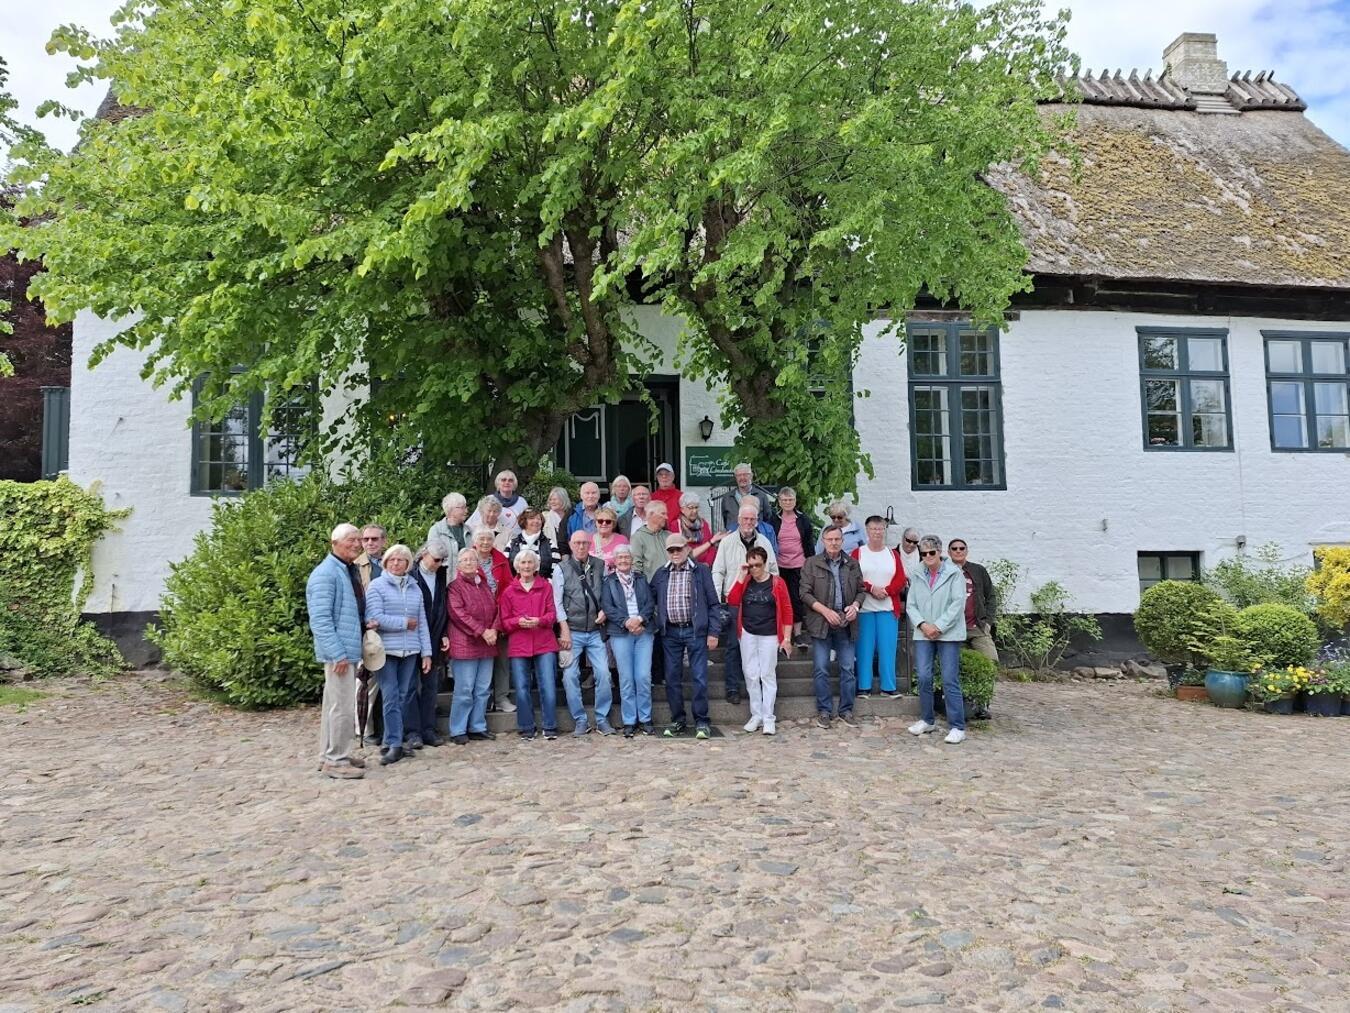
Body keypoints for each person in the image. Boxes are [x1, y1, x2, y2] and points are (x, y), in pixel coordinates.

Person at [306, 523, 366, 779]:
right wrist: (336, 653)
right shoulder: (326, 574)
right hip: (339, 653)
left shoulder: (345, 570)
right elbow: (320, 619)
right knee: (341, 707)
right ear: (335, 543)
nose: (356, 544)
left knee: (334, 705)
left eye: (358, 539)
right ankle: (336, 760)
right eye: (350, 540)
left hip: (345, 649)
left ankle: (329, 754)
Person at [365, 544, 433, 765]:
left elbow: (421, 622)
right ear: (385, 562)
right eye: (392, 559)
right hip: (387, 650)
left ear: (408, 564)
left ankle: (391, 739)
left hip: (411, 650)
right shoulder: (377, 586)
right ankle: (394, 743)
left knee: (405, 696)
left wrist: (427, 653)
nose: (396, 563)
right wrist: (404, 623)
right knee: (391, 696)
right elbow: (375, 616)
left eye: (401, 560)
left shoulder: (415, 588)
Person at [649, 533, 722, 739]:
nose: (675, 553)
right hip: (670, 632)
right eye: (671, 550)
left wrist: (714, 632)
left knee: (699, 677)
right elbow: (648, 598)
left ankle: (701, 721)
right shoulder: (661, 574)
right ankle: (678, 720)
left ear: (687, 549)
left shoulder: (701, 572)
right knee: (672, 678)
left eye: (678, 549)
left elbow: (714, 604)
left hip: (695, 630)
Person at [711, 498, 779, 707]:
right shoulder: (727, 542)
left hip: (760, 602)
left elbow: (774, 571)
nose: (749, 522)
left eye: (752, 519)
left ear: (757, 521)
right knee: (733, 646)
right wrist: (716, 599)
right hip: (735, 600)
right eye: (745, 518)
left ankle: (758, 689)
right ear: (738, 520)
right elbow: (718, 570)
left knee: (759, 648)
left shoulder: (764, 543)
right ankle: (732, 688)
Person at [801, 524, 864, 728]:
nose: (834, 543)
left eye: (837, 539)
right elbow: (804, 593)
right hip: (821, 622)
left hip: (846, 622)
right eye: (830, 539)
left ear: (842, 541)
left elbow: (861, 590)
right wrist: (825, 611)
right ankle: (824, 711)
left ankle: (846, 710)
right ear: (823, 541)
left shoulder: (852, 563)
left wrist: (855, 605)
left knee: (848, 668)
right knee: (821, 668)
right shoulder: (811, 563)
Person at [726, 546, 794, 735]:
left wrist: (786, 638)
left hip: (770, 633)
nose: (754, 569)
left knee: (767, 674)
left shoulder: (777, 583)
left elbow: (787, 611)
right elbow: (732, 600)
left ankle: (768, 717)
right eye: (751, 565)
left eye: (758, 565)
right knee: (750, 673)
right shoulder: (746, 581)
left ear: (765, 564)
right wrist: (741, 576)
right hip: (748, 632)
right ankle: (756, 714)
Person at [907, 535, 968, 744]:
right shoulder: (917, 574)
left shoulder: (954, 573)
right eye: (923, 553)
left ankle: (957, 726)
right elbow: (911, 604)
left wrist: (939, 626)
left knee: (949, 678)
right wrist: (923, 625)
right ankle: (927, 719)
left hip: (948, 634)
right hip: (923, 632)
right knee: (923, 676)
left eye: (931, 552)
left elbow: (957, 603)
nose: (927, 557)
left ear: (939, 551)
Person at [553, 529, 614, 736]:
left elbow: (607, 592)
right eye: (577, 543)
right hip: (572, 630)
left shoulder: (600, 565)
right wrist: (564, 631)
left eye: (585, 543)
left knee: (604, 674)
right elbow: (557, 603)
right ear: (570, 545)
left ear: (590, 545)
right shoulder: (561, 568)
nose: (581, 546)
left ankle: (602, 718)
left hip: (596, 630)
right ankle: (580, 719)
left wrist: (605, 610)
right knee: (570, 675)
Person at [498, 549, 560, 740]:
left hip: (544, 642)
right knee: (522, 687)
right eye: (523, 563)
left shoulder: (546, 587)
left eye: (530, 563)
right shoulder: (509, 591)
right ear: (517, 566)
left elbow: (552, 615)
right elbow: (504, 622)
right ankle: (527, 727)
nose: (526, 566)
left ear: (536, 566)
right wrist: (518, 622)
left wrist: (539, 621)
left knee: (548, 685)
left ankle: (550, 726)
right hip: (519, 644)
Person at [445, 547, 500, 744]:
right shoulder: (454, 587)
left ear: (478, 564)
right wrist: (483, 631)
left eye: (472, 559)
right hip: (466, 644)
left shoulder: (484, 585)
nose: (469, 563)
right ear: (458, 565)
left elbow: (496, 609)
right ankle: (458, 729)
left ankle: (477, 726)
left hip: (487, 644)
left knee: (483, 688)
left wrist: (494, 629)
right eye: (465, 560)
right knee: (464, 689)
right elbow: (458, 614)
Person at [602, 545, 657, 737]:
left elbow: (650, 603)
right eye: (620, 558)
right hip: (620, 632)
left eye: (627, 557)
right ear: (615, 561)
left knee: (643, 676)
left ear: (632, 559)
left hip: (643, 630)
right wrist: (627, 622)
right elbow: (608, 607)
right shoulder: (609, 581)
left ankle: (645, 718)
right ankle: (629, 720)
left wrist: (640, 619)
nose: (624, 561)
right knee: (626, 678)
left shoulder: (641, 579)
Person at [851, 516, 908, 699]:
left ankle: (888, 687)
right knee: (864, 648)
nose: (877, 532)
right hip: (865, 607)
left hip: (887, 607)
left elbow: (900, 578)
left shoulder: (893, 554)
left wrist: (887, 590)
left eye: (880, 528)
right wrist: (870, 588)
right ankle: (864, 687)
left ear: (885, 531)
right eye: (873, 529)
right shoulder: (857, 553)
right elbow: (853, 577)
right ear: (867, 531)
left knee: (888, 648)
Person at [408, 538, 452, 748]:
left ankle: (428, 729)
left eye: (442, 561)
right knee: (409, 688)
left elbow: (442, 606)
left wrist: (444, 632)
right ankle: (412, 731)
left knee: (430, 687)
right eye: (435, 559)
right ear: (423, 554)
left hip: (434, 638)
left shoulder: (440, 575)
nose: (438, 563)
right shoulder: (410, 575)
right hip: (411, 638)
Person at [471, 526, 516, 714]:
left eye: (488, 539)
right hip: (476, 620)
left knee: (503, 661)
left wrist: (498, 624)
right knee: (480, 661)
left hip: (500, 617)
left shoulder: (501, 560)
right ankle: (483, 699)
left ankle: (501, 697)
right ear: (474, 541)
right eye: (481, 539)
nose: (485, 543)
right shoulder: (468, 559)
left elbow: (508, 590)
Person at [769, 487, 814, 648]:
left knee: (796, 599)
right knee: (779, 599)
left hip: (798, 565)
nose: (787, 503)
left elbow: (809, 543)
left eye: (790, 500)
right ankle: (781, 633)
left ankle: (798, 634)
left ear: (795, 501)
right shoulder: (773, 520)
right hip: (779, 566)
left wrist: (810, 564)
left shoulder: (803, 520)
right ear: (779, 502)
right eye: (784, 500)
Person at [948, 538, 998, 665]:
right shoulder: (944, 572)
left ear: (967, 551)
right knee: (956, 665)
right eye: (954, 549)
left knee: (991, 662)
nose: (958, 551)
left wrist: (988, 623)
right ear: (949, 552)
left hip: (977, 627)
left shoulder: (978, 570)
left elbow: (991, 596)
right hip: (953, 629)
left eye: (961, 548)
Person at [467, 469, 529, 541]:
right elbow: (473, 522)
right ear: (498, 483)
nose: (507, 482)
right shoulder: (488, 500)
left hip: (516, 541)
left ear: (514, 484)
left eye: (510, 480)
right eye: (503, 480)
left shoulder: (521, 502)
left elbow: (528, 523)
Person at [670, 492, 721, 563]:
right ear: (682, 509)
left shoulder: (703, 524)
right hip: (686, 565)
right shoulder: (675, 525)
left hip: (704, 567)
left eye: (696, 507)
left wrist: (707, 563)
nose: (694, 511)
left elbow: (711, 548)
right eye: (691, 508)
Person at [719, 463, 773, 529]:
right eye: (739, 475)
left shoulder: (761, 496)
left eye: (745, 475)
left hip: (756, 536)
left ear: (751, 476)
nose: (742, 478)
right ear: (735, 477)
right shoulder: (727, 498)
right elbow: (725, 520)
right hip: (733, 536)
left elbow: (767, 518)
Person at [508, 508, 559, 578]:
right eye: (531, 518)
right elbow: (505, 568)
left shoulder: (550, 543)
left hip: (543, 586)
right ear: (524, 521)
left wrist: (548, 584)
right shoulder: (512, 543)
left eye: (538, 519)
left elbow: (556, 569)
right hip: (517, 586)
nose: (536, 521)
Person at [629, 499, 670, 577]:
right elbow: (636, 566)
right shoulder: (638, 537)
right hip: (651, 586)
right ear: (651, 514)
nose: (666, 517)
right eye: (663, 514)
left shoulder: (669, 535)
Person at [427, 494, 471, 565]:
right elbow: (434, 558)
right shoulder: (436, 531)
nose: (466, 511)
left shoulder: (469, 531)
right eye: (463, 508)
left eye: (466, 507)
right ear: (451, 510)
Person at [590, 506, 629, 573]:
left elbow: (628, 561)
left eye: (608, 521)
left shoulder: (622, 540)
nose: (604, 523)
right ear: (595, 523)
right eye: (600, 521)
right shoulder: (587, 540)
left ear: (613, 524)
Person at [543, 487, 572, 552]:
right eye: (550, 499)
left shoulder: (572, 517)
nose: (552, 502)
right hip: (552, 554)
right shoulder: (544, 518)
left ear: (563, 500)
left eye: (555, 499)